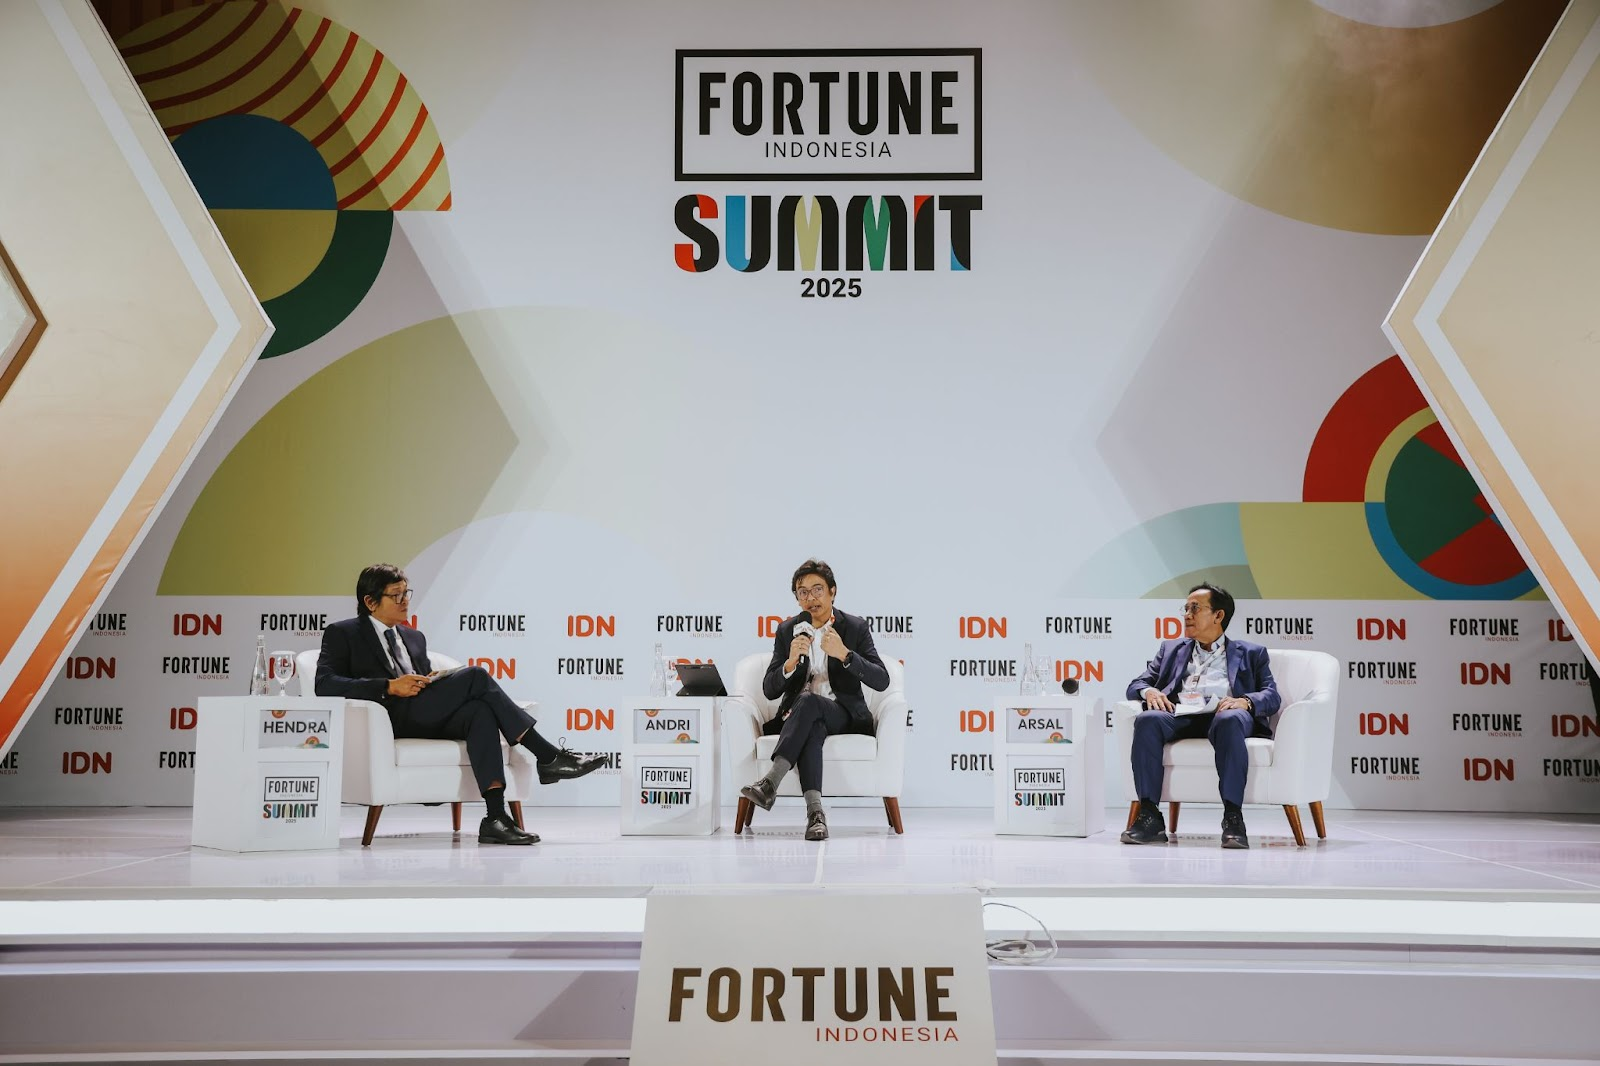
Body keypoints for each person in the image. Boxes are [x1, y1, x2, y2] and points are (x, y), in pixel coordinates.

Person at [315, 563, 605, 845]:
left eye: (406, 593)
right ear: (370, 602)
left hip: (423, 711)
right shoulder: (344, 633)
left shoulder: (414, 637)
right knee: (476, 675)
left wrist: (430, 679)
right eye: (396, 595)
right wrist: (389, 686)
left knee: (480, 712)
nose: (405, 601)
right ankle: (548, 756)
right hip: (387, 718)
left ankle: (495, 818)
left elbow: (424, 680)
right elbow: (325, 683)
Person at [739, 559, 890, 841]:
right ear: (797, 599)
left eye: (818, 589)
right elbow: (770, 690)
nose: (811, 598)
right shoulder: (788, 630)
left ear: (833, 591)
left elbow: (882, 679)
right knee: (812, 724)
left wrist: (845, 654)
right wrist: (789, 663)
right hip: (801, 716)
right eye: (803, 592)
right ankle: (815, 815)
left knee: (809, 702)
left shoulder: (854, 627)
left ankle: (770, 782)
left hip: (844, 715)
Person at [1122, 582, 1280, 849]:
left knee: (1230, 720)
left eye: (1195, 608)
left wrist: (1244, 701)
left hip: (1225, 715)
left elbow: (1272, 695)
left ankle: (1233, 818)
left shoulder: (1251, 653)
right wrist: (1149, 691)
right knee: (1147, 719)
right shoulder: (1171, 649)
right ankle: (1149, 816)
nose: (1187, 615)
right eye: (1185, 608)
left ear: (1218, 615)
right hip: (1181, 714)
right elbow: (1136, 684)